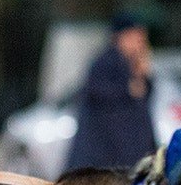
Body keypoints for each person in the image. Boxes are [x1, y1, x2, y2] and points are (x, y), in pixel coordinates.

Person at [64, 10, 156, 172]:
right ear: (122, 37)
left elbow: (143, 97)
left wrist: (141, 75)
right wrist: (128, 89)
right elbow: (98, 93)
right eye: (136, 37)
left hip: (130, 155)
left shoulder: (133, 64)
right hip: (105, 156)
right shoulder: (105, 62)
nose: (140, 43)